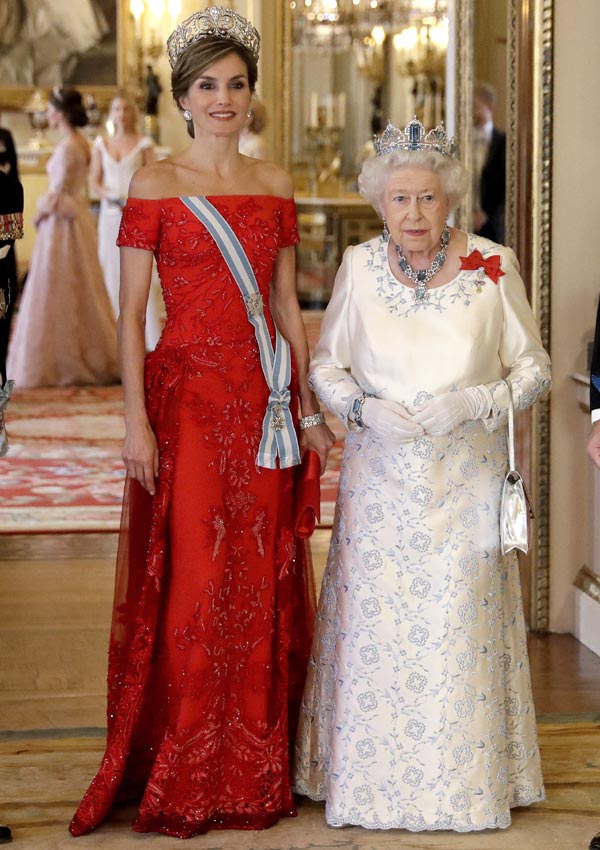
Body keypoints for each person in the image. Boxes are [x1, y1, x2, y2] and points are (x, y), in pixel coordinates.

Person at [70, 5, 334, 839]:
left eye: (238, 85)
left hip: (261, 410)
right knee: (193, 580)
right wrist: (133, 423)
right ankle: (187, 764)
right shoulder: (153, 183)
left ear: (252, 94)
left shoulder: (277, 182)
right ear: (182, 98)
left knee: (257, 579)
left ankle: (253, 772)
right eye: (208, 86)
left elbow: (288, 303)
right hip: (184, 406)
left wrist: (309, 402)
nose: (225, 99)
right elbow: (129, 316)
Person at [294, 117, 551, 832]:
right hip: (379, 487)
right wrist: (363, 410)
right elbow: (325, 366)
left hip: (464, 485)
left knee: (456, 630)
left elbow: (535, 369)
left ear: (451, 201)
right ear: (380, 203)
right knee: (379, 637)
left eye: (428, 199)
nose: (414, 215)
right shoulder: (357, 268)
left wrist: (478, 400)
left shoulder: (491, 266)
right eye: (400, 199)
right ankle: (370, 788)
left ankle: (464, 790)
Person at [6, 87, 119, 387]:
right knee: (81, 284)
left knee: (56, 286)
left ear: (61, 113)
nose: (47, 114)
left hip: (61, 224)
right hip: (76, 219)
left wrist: (38, 212)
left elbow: (57, 194)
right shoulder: (83, 143)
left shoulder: (70, 146)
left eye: (51, 109)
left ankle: (58, 359)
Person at [91, 92, 163, 350]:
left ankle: (148, 339)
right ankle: (112, 341)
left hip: (136, 214)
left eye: (125, 108)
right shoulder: (101, 144)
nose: (121, 113)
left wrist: (135, 200)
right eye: (116, 109)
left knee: (140, 273)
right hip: (110, 215)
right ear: (111, 114)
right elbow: (95, 181)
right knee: (110, 271)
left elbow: (154, 178)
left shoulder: (144, 144)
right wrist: (110, 196)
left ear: (132, 113)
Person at [472, 81, 506, 244]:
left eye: (475, 107)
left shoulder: (505, 142)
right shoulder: (459, 141)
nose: (471, 112)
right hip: (463, 222)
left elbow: (506, 185)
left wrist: (485, 214)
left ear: (489, 107)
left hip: (493, 225)